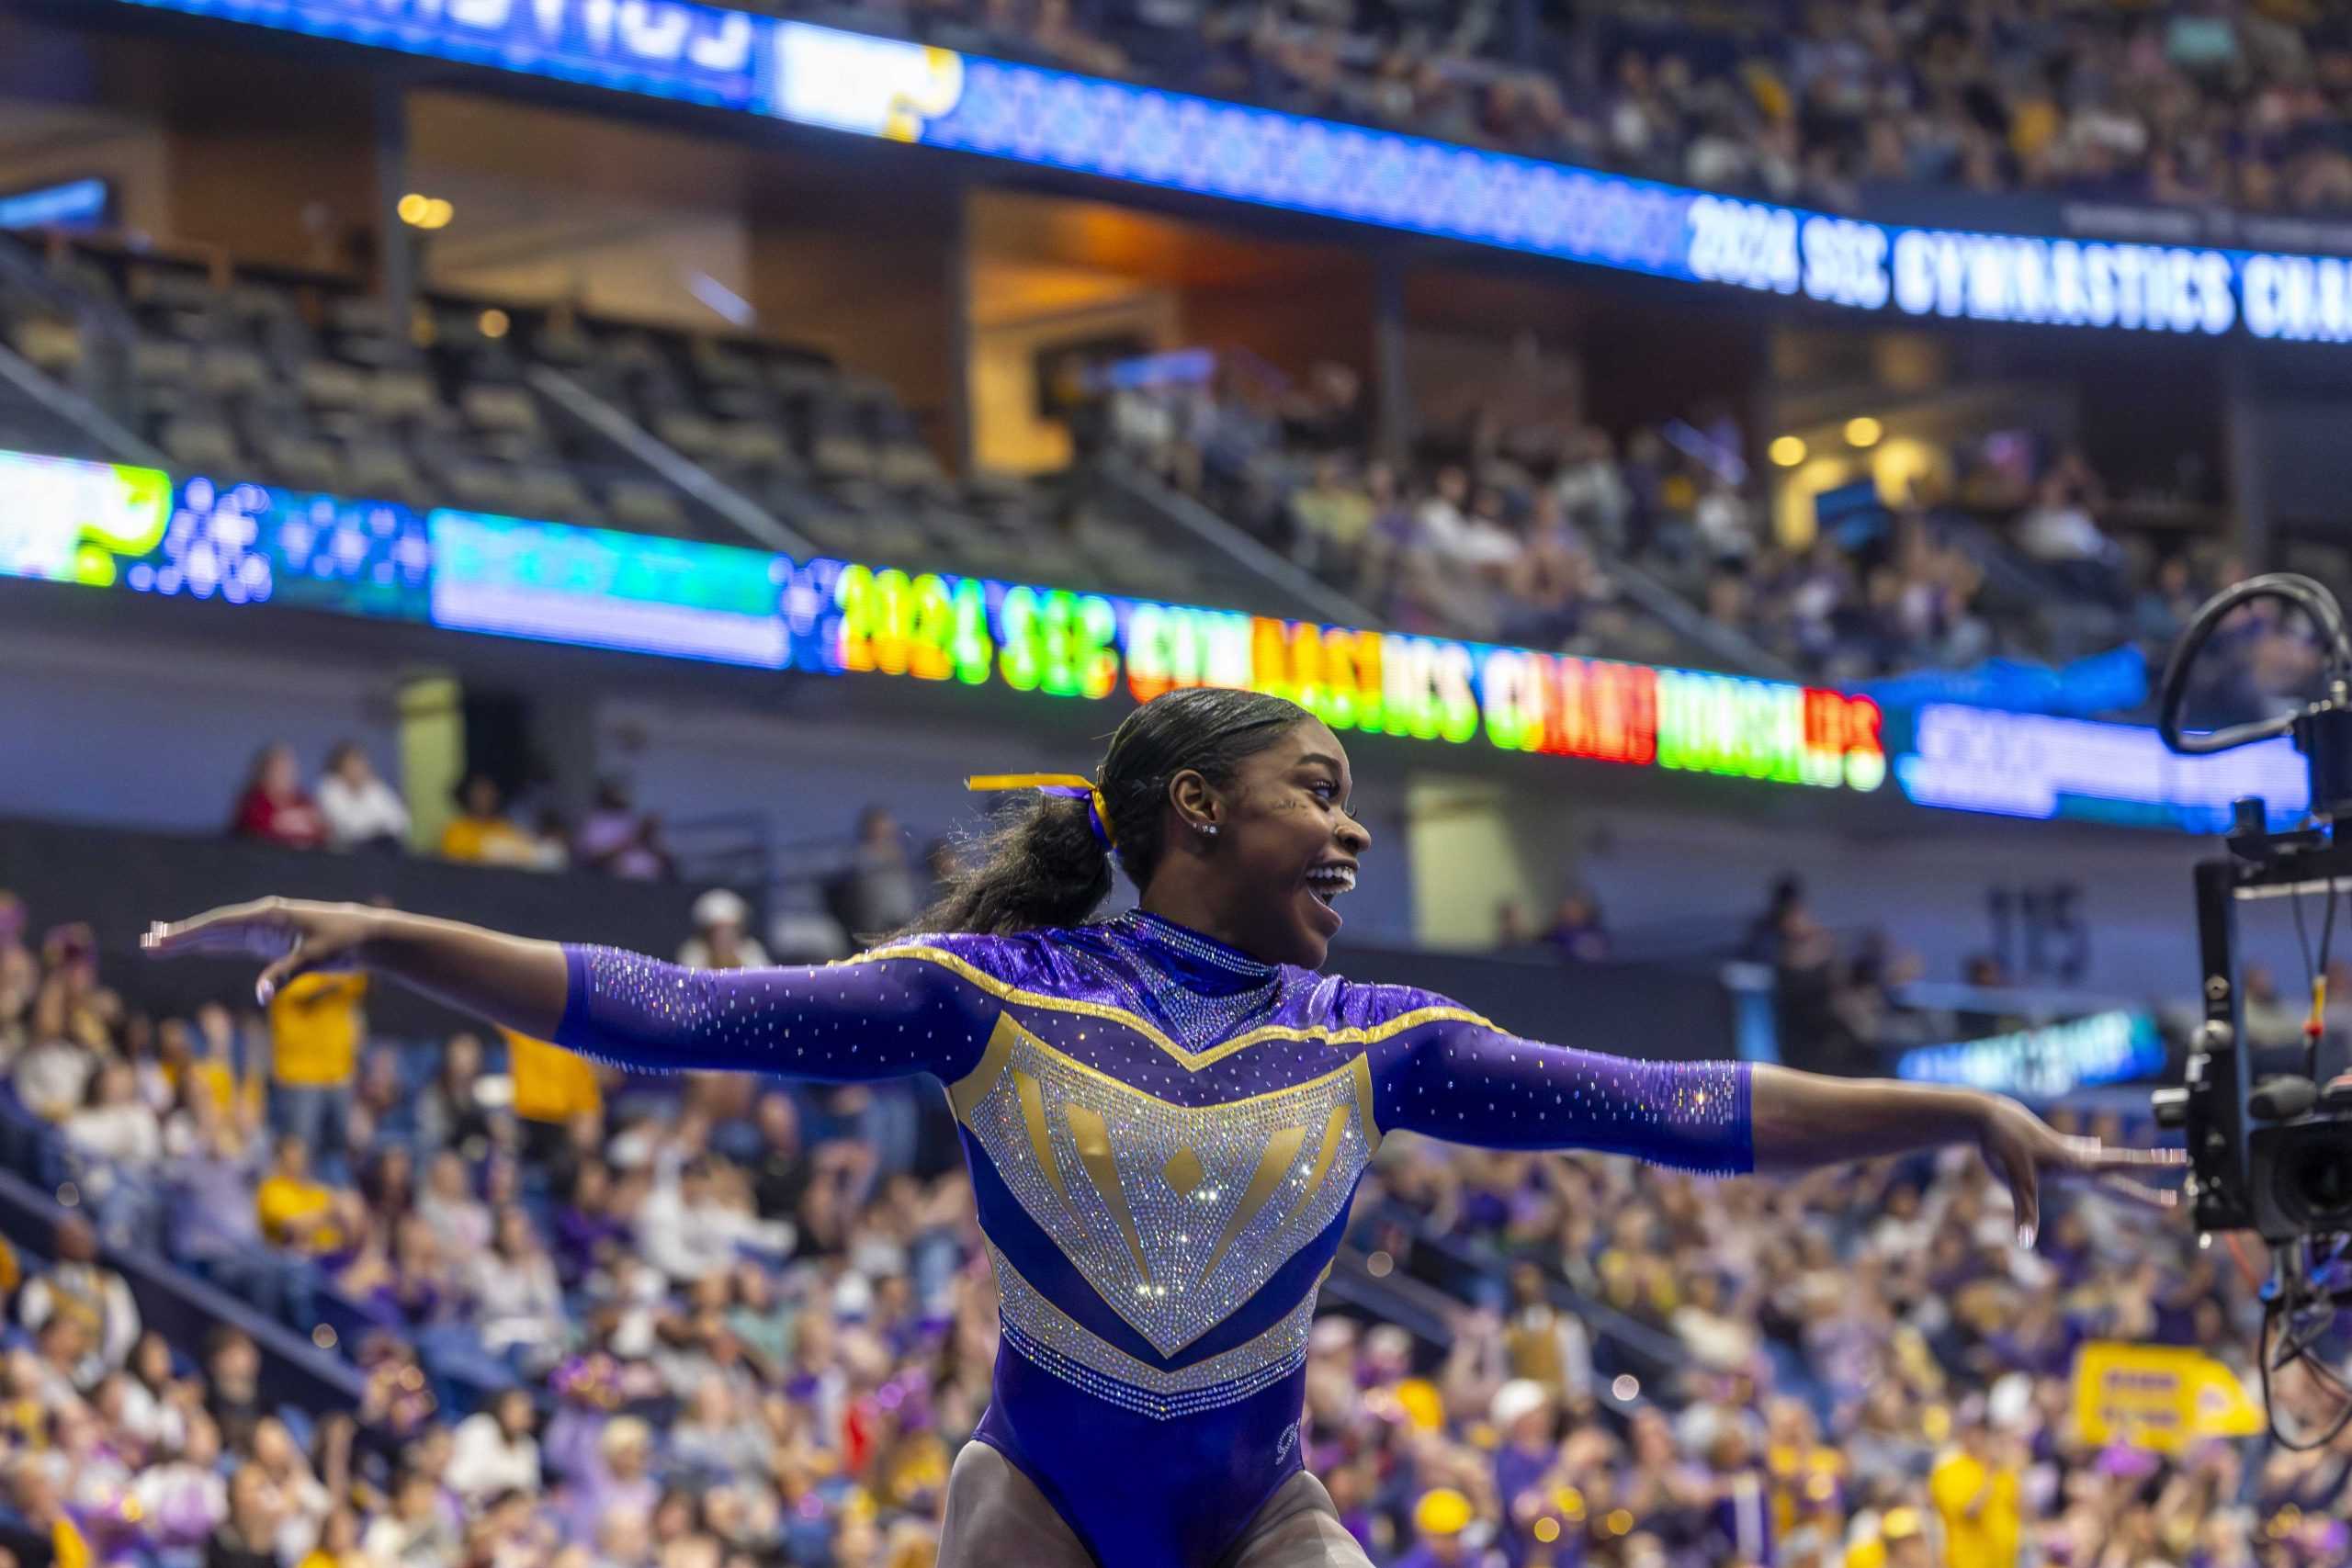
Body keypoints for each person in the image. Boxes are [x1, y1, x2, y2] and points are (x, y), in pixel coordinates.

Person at [145, 688, 2180, 1568]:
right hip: (1026, 1504)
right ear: (1196, 811)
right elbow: (668, 1009)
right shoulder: (985, 998)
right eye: (1319, 790)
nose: (1356, 827)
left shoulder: (1378, 1034)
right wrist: (384, 923)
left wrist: (1948, 1102)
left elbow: (1683, 1108)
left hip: (1257, 1511)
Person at [230, 743, 327, 850]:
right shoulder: (252, 802)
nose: (283, 774)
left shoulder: (302, 799)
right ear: (264, 772)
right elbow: (258, 829)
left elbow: (321, 831)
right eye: (277, 769)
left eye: (287, 769)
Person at [317, 742, 411, 852]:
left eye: (361, 763)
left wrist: (377, 828)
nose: (359, 768)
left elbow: (401, 821)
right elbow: (349, 829)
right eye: (352, 764)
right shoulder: (329, 788)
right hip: (346, 854)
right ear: (340, 767)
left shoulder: (374, 787)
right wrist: (378, 825)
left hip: (383, 847)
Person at [439, 776, 540, 868]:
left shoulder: (504, 828)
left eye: (489, 792)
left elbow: (526, 852)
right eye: (480, 792)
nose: (485, 797)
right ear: (469, 795)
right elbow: (455, 857)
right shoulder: (456, 829)